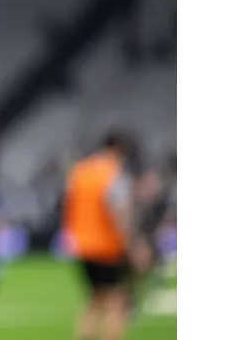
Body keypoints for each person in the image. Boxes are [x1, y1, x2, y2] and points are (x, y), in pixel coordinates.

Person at [63, 131, 143, 340]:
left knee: (96, 300)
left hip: (82, 244)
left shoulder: (80, 171)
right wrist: (133, 246)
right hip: (108, 246)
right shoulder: (114, 173)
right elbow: (119, 212)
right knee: (117, 302)